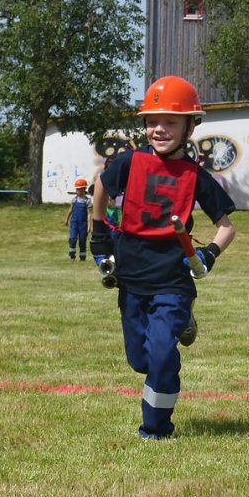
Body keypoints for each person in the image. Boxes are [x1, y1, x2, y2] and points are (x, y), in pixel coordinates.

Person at [90, 75, 236, 440]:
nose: (160, 129)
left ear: (190, 126)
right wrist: (98, 234)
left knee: (160, 356)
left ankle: (155, 428)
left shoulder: (197, 177)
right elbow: (100, 188)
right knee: (139, 360)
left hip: (172, 279)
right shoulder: (127, 162)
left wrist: (209, 253)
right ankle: (181, 325)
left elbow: (226, 227)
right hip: (132, 276)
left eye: (171, 121)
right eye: (153, 121)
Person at [65, 177, 91, 261]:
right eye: (77, 189)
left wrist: (89, 226)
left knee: (82, 240)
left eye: (79, 189)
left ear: (84, 189)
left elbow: (89, 214)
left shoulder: (87, 201)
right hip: (74, 222)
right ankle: (72, 256)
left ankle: (82, 257)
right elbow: (71, 210)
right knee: (72, 238)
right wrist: (67, 219)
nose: (77, 191)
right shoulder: (74, 199)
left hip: (83, 224)